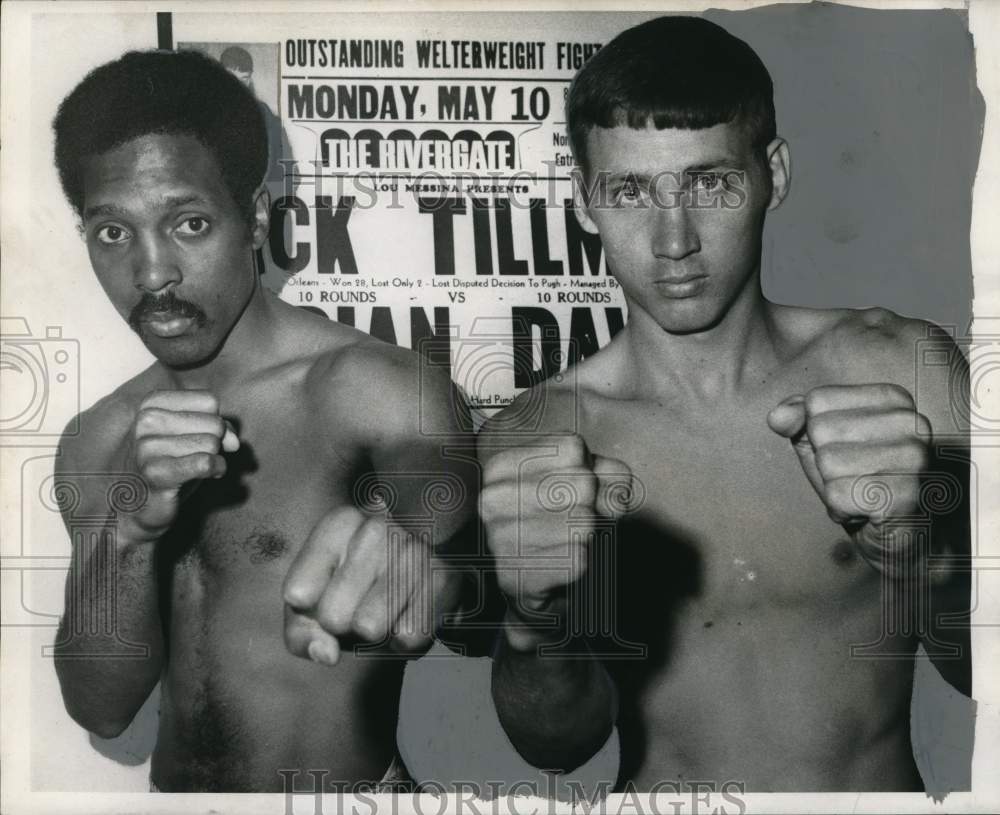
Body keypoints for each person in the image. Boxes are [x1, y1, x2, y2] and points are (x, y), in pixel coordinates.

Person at [479, 16, 971, 792]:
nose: (674, 240)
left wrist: (920, 551)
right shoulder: (537, 439)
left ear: (773, 173)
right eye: (631, 190)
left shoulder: (900, 368)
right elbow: (557, 745)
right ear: (584, 202)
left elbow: (981, 673)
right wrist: (534, 624)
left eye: (709, 183)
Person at [50, 49, 477, 792]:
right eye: (113, 233)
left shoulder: (371, 390)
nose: (153, 276)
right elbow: (102, 707)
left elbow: (453, 562)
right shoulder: (98, 437)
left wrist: (438, 561)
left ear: (253, 217)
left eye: (188, 223)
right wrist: (125, 528)